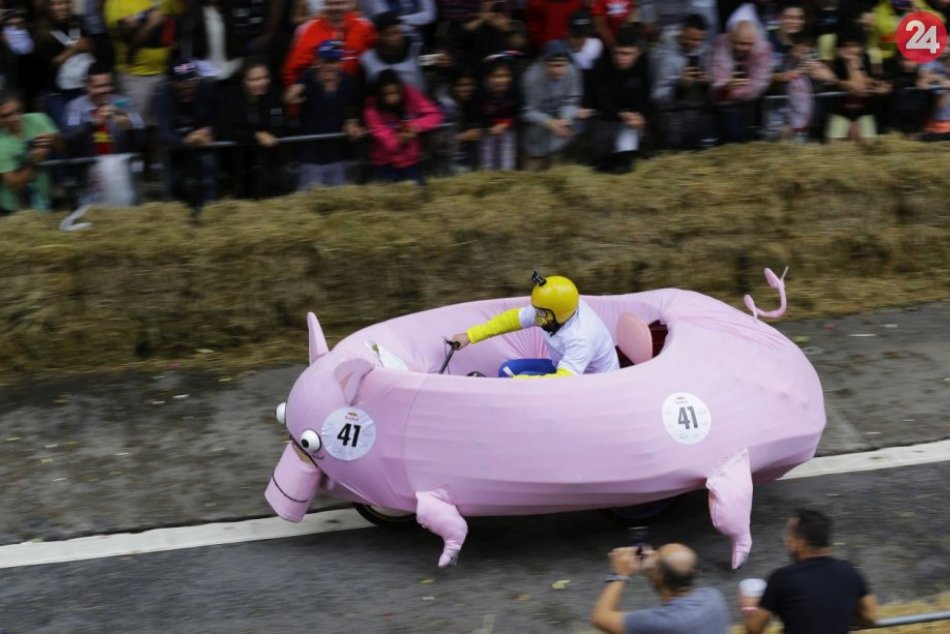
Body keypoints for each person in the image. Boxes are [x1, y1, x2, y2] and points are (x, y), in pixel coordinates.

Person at [449, 271, 619, 378]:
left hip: (588, 383)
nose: (535, 316)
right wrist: (470, 336)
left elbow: (563, 381)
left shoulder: (581, 337)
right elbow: (512, 319)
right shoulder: (556, 308)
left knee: (513, 380)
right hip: (563, 367)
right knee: (506, 370)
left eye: (541, 313)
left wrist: (519, 382)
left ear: (559, 313)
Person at [742, 508, 879, 634]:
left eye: (789, 538)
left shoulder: (782, 578)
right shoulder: (850, 572)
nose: (786, 542)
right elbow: (871, 616)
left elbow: (754, 628)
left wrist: (749, 608)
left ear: (800, 544)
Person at [590, 543, 730, 634]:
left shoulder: (659, 622)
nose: (649, 552)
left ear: (659, 578)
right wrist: (653, 568)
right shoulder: (714, 597)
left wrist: (620, 574)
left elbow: (601, 618)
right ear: (695, 573)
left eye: (655, 555)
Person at [285, 39, 363, 188]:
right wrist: (293, 95)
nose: (328, 66)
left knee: (340, 195)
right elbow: (289, 97)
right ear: (318, 61)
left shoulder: (348, 81)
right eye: (324, 61)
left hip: (338, 153)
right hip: (311, 154)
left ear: (340, 63)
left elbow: (352, 109)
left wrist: (351, 122)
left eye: (333, 62)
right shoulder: (308, 77)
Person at [152, 58, 218, 212]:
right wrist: (186, 140)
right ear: (172, 83)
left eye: (192, 82)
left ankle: (210, 212)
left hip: (202, 145)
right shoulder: (162, 96)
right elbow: (163, 133)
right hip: (176, 149)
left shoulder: (206, 88)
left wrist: (210, 130)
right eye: (183, 84)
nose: (189, 87)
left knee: (208, 178)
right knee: (174, 184)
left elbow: (219, 118)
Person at [585, 26, 651, 174]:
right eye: (617, 52)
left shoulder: (644, 64)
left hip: (631, 117)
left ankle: (630, 154)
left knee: (625, 161)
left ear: (638, 52)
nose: (620, 58)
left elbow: (646, 95)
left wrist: (641, 115)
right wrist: (619, 113)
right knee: (601, 160)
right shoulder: (602, 64)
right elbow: (599, 99)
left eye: (626, 54)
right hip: (607, 115)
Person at [364, 68, 443, 184]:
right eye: (387, 94)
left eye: (396, 92)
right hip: (385, 165)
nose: (393, 98)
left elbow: (435, 114)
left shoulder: (410, 94)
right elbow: (388, 141)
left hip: (411, 162)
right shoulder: (372, 110)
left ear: (400, 89)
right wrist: (402, 138)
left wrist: (415, 126)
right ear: (380, 94)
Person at [222, 57, 286, 199]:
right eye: (254, 79)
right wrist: (255, 135)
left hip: (268, 161)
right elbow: (226, 130)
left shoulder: (274, 95)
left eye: (265, 77)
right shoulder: (230, 97)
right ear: (244, 80)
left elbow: (279, 125)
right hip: (238, 163)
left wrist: (270, 135)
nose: (262, 83)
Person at [651, 12, 715, 150]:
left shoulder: (705, 50)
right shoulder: (663, 55)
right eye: (691, 39)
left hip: (696, 112)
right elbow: (656, 97)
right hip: (670, 116)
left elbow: (711, 87)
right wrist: (680, 87)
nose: (695, 44)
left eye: (700, 40)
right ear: (682, 31)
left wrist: (706, 84)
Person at [520, 40, 586, 170]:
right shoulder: (531, 78)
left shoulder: (572, 71)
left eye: (562, 65)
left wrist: (565, 119)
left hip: (559, 138)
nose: (558, 71)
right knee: (531, 172)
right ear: (543, 62)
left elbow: (572, 99)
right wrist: (549, 122)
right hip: (535, 137)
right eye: (553, 65)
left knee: (557, 170)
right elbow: (527, 110)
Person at [282, 0, 376, 85]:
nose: (335, 8)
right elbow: (291, 72)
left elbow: (376, 59)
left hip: (356, 91)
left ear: (350, 4)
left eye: (340, 3)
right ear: (324, 5)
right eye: (330, 4)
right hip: (318, 92)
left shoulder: (364, 26)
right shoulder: (308, 29)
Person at [710, 19, 773, 143]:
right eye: (738, 42)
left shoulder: (763, 49)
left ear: (755, 41)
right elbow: (717, 84)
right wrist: (725, 89)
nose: (741, 47)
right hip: (723, 107)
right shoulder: (721, 43)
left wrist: (729, 92)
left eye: (747, 44)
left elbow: (757, 86)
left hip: (751, 104)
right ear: (731, 37)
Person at [0, 91, 60, 215]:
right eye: (6, 116)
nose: (14, 118)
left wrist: (53, 139)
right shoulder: (1, 142)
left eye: (17, 111)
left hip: (45, 201)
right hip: (15, 211)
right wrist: (34, 162)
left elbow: (63, 149)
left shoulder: (38, 119)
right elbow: (15, 183)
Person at [476, 54, 520, 170]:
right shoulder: (481, 92)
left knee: (507, 163)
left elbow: (517, 112)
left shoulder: (514, 90)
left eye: (506, 76)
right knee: (487, 163)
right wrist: (489, 128)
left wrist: (505, 125)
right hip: (487, 130)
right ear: (487, 77)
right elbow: (478, 114)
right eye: (495, 76)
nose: (501, 80)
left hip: (507, 128)